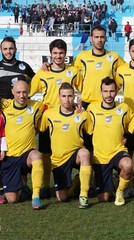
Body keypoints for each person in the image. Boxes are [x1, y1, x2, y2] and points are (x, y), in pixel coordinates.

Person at [30, 39, 81, 198]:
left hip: (69, 119)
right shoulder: (42, 73)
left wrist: (79, 104)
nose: (58, 56)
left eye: (61, 53)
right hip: (49, 119)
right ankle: (45, 186)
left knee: (72, 150)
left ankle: (81, 181)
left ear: (65, 54)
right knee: (46, 153)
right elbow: (28, 92)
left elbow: (84, 90)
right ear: (50, 55)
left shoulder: (73, 71)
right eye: (55, 53)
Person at [39, 82, 92, 208]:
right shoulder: (49, 114)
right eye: (64, 96)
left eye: (69, 96)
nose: (67, 99)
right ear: (59, 97)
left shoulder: (82, 114)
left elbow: (91, 131)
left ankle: (83, 195)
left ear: (74, 97)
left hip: (76, 153)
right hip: (59, 159)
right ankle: (77, 180)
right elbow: (40, 129)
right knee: (62, 197)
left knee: (85, 153)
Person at [86, 77, 134, 206]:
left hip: (118, 151)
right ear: (101, 92)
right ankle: (112, 179)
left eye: (112, 91)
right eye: (106, 91)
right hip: (100, 157)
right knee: (104, 198)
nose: (109, 95)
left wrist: (125, 136)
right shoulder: (92, 109)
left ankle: (120, 192)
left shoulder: (124, 108)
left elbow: (132, 125)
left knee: (128, 165)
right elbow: (87, 129)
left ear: (116, 91)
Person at [1, 81, 44, 209]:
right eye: (18, 92)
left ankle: (36, 197)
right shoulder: (5, 106)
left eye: (25, 92)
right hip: (9, 157)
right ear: (13, 92)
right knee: (12, 199)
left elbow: (56, 107)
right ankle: (22, 184)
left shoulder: (36, 106)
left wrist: (75, 105)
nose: (22, 95)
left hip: (26, 156)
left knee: (36, 155)